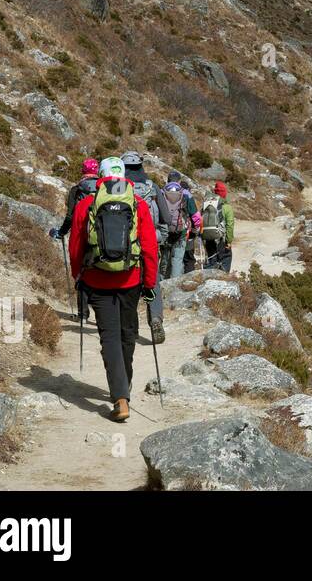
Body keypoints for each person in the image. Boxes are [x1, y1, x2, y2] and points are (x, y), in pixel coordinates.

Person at [67, 156, 158, 423]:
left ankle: (120, 398)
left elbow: (76, 247)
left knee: (109, 337)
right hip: (131, 279)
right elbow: (151, 249)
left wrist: (78, 276)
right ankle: (123, 388)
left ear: (101, 178)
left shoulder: (86, 204)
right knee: (128, 333)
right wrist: (150, 283)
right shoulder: (138, 204)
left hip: (97, 279)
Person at [122, 152, 172, 344]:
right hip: (151, 241)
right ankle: (156, 318)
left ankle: (132, 326)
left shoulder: (120, 189)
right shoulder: (153, 188)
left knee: (130, 282)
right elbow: (166, 218)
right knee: (153, 281)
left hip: (127, 246)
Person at [49, 157, 100, 241]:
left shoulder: (77, 190)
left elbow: (70, 216)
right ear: (97, 171)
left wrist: (61, 233)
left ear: (83, 171)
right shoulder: (103, 188)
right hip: (100, 232)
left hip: (82, 233)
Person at [159, 180, 192, 281]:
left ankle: (162, 282)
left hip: (164, 230)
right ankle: (175, 283)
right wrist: (194, 230)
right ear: (178, 181)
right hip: (180, 231)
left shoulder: (161, 193)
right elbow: (195, 216)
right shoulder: (185, 194)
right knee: (177, 259)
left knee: (164, 258)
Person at [201, 182, 235, 272]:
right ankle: (223, 279)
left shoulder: (206, 204)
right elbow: (230, 225)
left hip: (208, 237)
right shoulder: (227, 207)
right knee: (226, 258)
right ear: (224, 193)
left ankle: (208, 279)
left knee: (212, 259)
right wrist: (229, 241)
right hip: (221, 239)